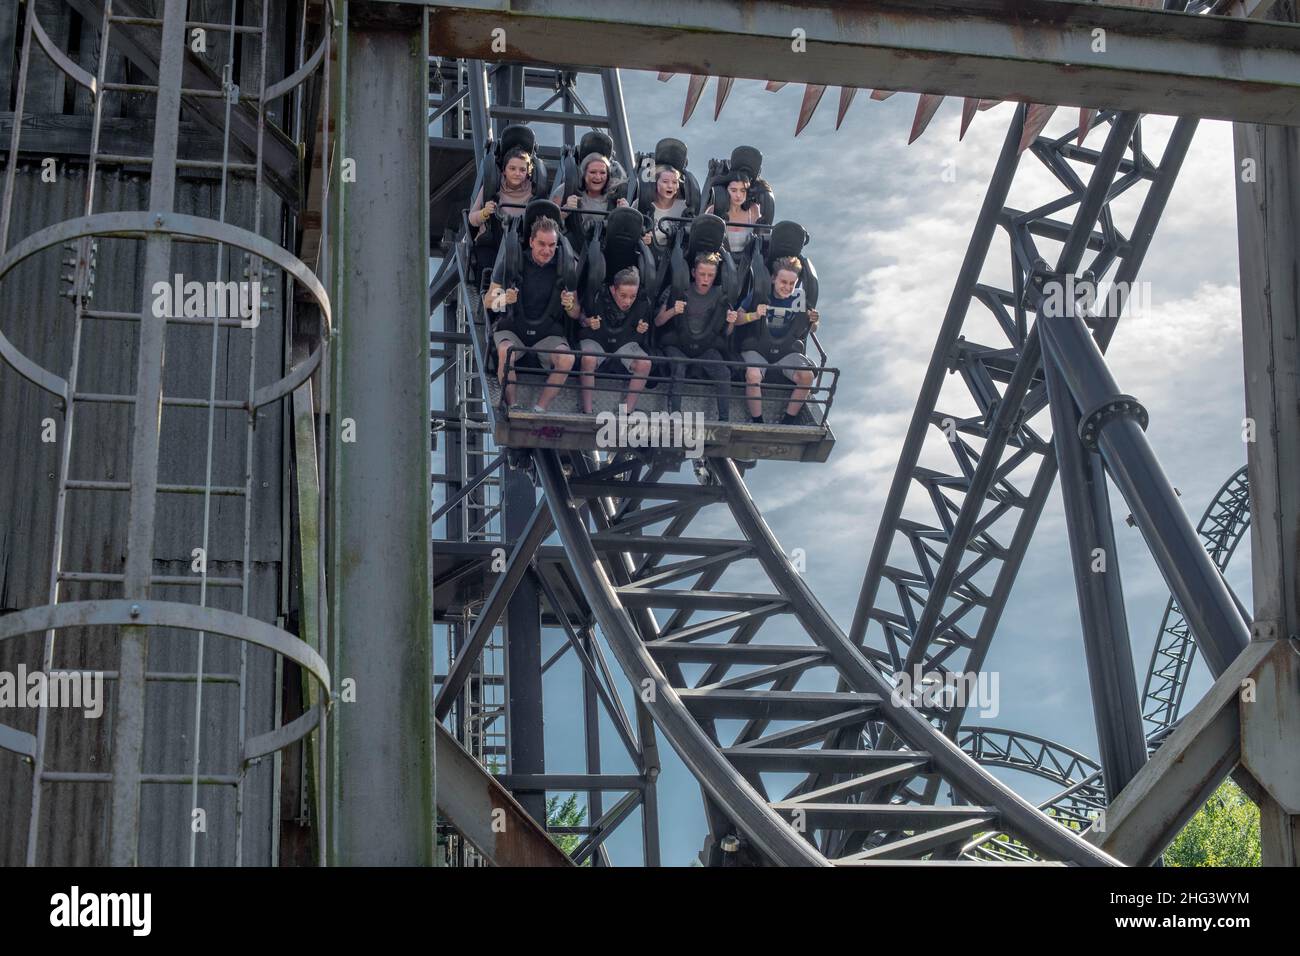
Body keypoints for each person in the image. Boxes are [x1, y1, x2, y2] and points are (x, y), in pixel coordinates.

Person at [486, 216, 579, 413]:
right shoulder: (512, 262)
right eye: (542, 244)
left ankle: (540, 408)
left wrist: (569, 305)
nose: (547, 251)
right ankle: (513, 406)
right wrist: (504, 299)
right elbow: (488, 301)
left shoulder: (566, 268)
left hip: (547, 332)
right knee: (505, 350)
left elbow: (575, 313)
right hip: (513, 328)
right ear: (531, 241)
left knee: (567, 359)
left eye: (552, 245)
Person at [735, 256, 821, 425]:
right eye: (783, 282)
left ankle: (789, 420)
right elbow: (736, 319)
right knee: (752, 375)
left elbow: (812, 329)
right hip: (758, 348)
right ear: (773, 278)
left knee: (807, 376)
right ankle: (758, 421)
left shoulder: (799, 298)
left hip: (785, 351)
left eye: (792, 284)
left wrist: (813, 320)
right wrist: (754, 315)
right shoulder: (759, 294)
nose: (787, 287)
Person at [654, 251, 738, 421]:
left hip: (705, 347)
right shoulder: (677, 290)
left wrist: (731, 322)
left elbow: (727, 333)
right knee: (679, 367)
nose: (706, 279)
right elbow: (657, 322)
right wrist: (672, 311)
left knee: (724, 373)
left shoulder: (721, 295)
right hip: (678, 345)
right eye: (702, 274)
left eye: (710, 275)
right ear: (693, 273)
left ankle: (724, 420)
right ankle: (674, 417)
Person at [577, 266, 653, 415]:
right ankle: (588, 411)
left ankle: (626, 411)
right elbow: (579, 317)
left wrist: (642, 328)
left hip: (624, 341)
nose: (628, 301)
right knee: (588, 359)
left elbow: (642, 325)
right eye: (623, 295)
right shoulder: (598, 297)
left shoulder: (643, 303)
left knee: (645, 364)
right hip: (596, 339)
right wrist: (587, 321)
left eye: (632, 296)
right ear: (613, 290)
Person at [559, 152, 628, 243]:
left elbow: (627, 234)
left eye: (602, 173)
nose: (598, 177)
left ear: (608, 176)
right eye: (592, 172)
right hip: (574, 251)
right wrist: (565, 210)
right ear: (583, 174)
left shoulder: (616, 199)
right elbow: (548, 223)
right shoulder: (567, 190)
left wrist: (626, 214)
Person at [705, 173, 763, 254]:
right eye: (733, 190)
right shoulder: (712, 210)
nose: (738, 195)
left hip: (748, 262)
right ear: (725, 191)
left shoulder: (754, 209)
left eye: (743, 190)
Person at [641, 166, 688, 253]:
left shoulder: (684, 208)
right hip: (648, 256)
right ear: (655, 183)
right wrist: (641, 238)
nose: (670, 186)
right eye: (665, 182)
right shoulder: (642, 204)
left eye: (674, 182)